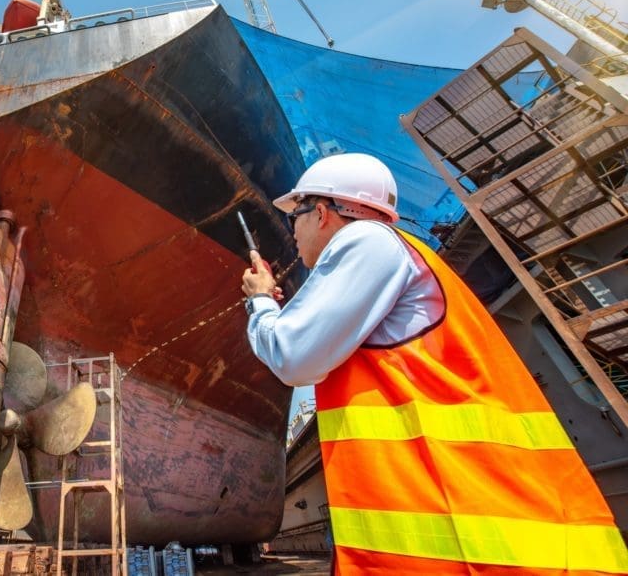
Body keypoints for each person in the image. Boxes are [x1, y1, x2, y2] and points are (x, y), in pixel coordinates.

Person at [241, 152, 627, 574]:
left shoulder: (365, 240)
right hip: (483, 523)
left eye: (293, 216)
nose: (290, 230)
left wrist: (260, 301)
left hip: (476, 528)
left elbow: (293, 356)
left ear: (321, 212)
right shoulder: (400, 254)